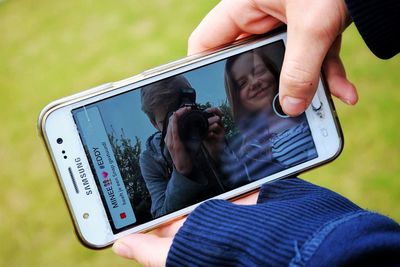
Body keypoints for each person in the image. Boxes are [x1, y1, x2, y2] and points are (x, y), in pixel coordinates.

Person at [113, 0, 400, 266]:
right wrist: (181, 169)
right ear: (155, 125)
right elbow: (162, 211)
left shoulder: (212, 122)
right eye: (171, 118)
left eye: (186, 107)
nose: (186, 118)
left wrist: (219, 150)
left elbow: (248, 175)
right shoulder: (151, 156)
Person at [221, 48, 317, 183]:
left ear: (272, 72)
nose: (254, 83)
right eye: (242, 83)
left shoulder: (307, 106)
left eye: (259, 71)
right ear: (237, 98)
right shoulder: (251, 151)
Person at [139, 75, 227, 218]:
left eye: (185, 113)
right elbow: (161, 216)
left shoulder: (208, 128)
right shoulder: (150, 158)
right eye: (169, 121)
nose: (178, 126)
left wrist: (220, 156)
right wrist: (182, 172)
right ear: (154, 123)